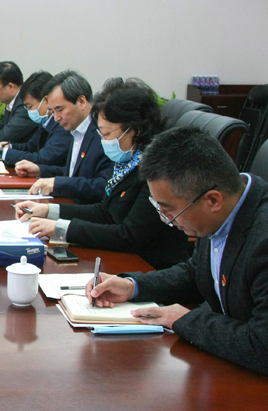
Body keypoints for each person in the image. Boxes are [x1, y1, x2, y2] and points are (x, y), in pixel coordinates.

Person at [86, 126, 268, 396]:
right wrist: (132, 286)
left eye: (169, 210)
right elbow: (197, 273)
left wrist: (184, 319)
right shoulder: (226, 206)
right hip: (239, 364)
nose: (167, 220)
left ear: (212, 200)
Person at [15, 78, 188, 269]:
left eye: (106, 134)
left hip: (149, 267)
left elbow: (129, 236)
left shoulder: (158, 169)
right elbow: (105, 212)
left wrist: (62, 229)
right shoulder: (126, 161)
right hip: (122, 259)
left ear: (135, 130)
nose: (104, 141)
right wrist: (49, 211)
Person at [14, 70, 113, 204]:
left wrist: (59, 184)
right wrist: (40, 170)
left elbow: (104, 185)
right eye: (53, 111)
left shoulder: (103, 133)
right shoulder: (76, 129)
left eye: (60, 110)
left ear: (82, 101)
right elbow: (73, 174)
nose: (56, 118)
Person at [0, 70, 69, 168]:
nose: (29, 112)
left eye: (30, 106)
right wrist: (9, 147)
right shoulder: (45, 121)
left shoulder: (62, 125)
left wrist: (2, 153)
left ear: (46, 101)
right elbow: (31, 146)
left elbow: (43, 159)